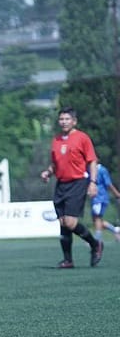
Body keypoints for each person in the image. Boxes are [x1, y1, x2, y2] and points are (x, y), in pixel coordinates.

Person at [40, 107, 102, 268]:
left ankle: (95, 244)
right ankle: (68, 260)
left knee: (70, 221)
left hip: (78, 182)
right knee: (62, 222)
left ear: (74, 121)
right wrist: (48, 172)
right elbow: (56, 163)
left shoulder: (82, 138)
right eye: (61, 119)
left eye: (67, 119)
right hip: (61, 184)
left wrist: (93, 182)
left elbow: (92, 161)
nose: (64, 122)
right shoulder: (57, 140)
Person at [90, 162, 120, 242]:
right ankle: (115, 230)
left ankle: (97, 239)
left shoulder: (102, 170)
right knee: (96, 220)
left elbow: (108, 184)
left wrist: (117, 194)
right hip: (94, 198)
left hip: (100, 198)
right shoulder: (90, 170)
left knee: (97, 218)